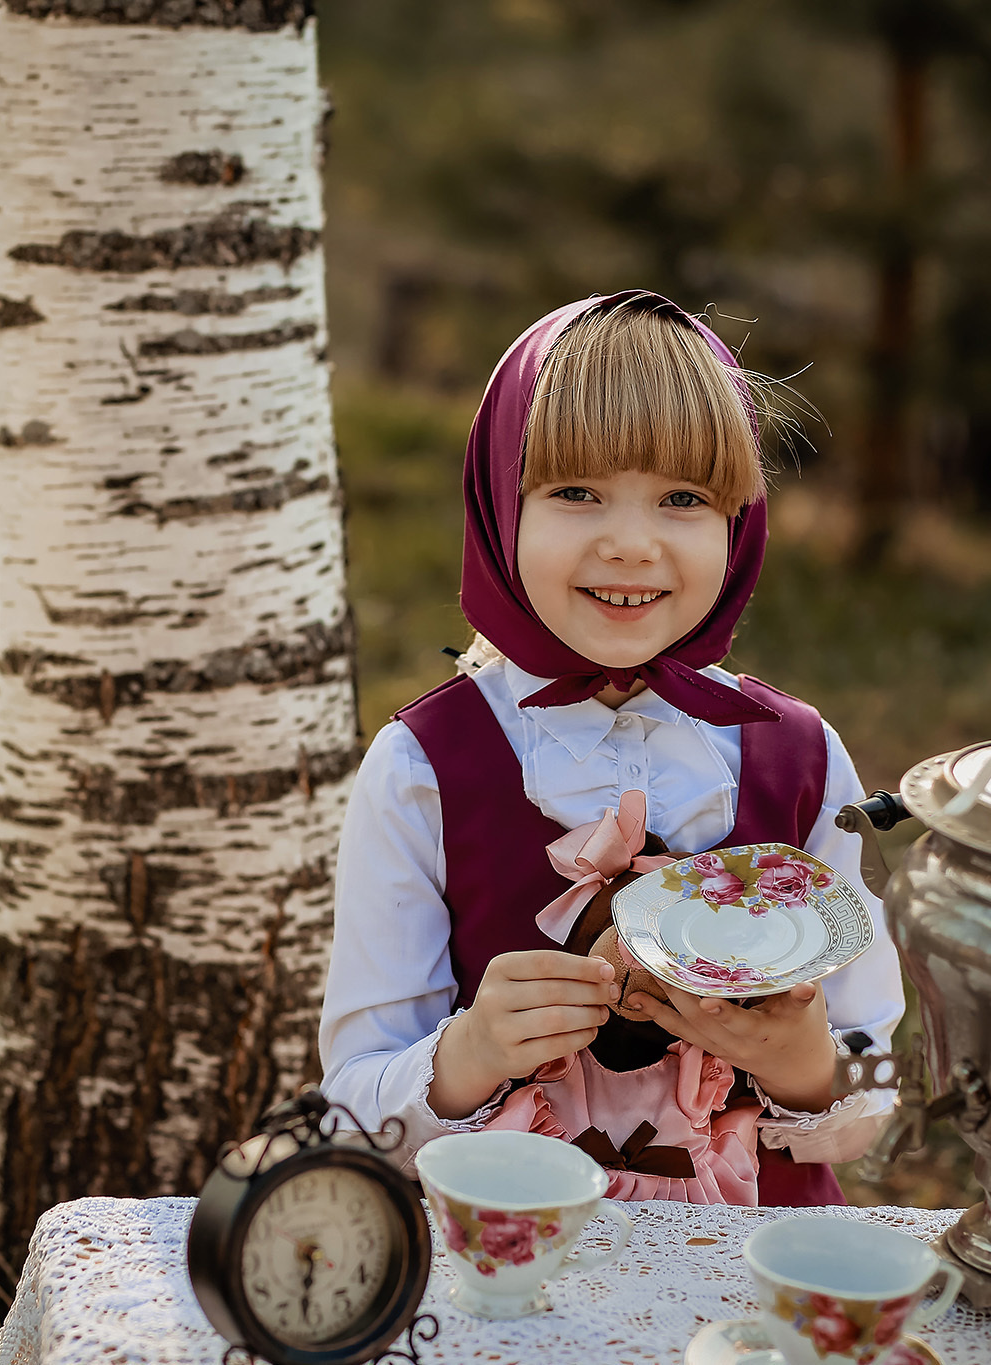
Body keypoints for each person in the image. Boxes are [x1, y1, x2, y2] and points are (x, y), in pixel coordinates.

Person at [318, 289, 903, 1205]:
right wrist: (466, 1054)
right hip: (505, 1278)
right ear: (498, 506)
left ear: (738, 523)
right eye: (576, 492)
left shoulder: (803, 761)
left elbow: (878, 1093)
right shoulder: (423, 768)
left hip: (747, 1283)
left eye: (682, 498)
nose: (630, 544)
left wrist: (804, 1064)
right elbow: (354, 1112)